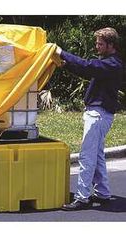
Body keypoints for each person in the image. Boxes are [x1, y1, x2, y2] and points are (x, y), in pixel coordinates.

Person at [55, 27, 124, 210]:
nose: (97, 46)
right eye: (97, 43)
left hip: (98, 114)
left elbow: (87, 66)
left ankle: (82, 197)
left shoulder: (112, 64)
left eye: (100, 44)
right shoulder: (108, 64)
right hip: (99, 114)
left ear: (111, 45)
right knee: (98, 155)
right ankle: (103, 192)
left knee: (87, 156)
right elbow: (86, 72)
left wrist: (62, 52)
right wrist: (66, 63)